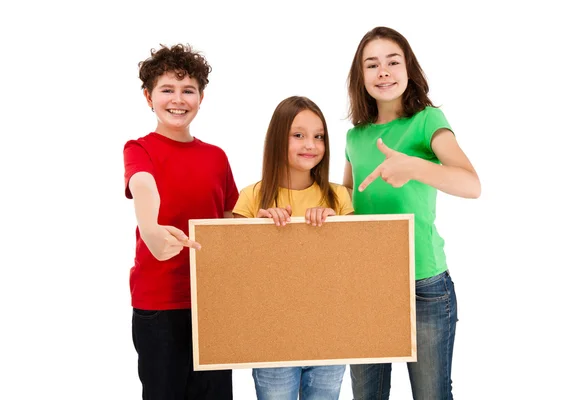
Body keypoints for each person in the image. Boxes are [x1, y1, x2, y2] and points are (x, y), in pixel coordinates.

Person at [343, 27, 481, 400]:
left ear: (409, 70)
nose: (383, 72)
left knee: (431, 394)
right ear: (361, 76)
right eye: (372, 65)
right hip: (367, 285)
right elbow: (344, 200)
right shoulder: (355, 137)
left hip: (425, 284)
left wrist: (415, 167)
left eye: (393, 62)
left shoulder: (427, 121)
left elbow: (472, 184)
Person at [123, 43, 238, 400]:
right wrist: (151, 228)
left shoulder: (216, 157)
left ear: (201, 97)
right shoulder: (139, 148)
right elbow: (143, 185)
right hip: (159, 306)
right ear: (148, 97)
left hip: (213, 303)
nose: (178, 99)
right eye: (167, 90)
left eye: (188, 90)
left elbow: (231, 219)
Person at [233, 96, 353, 399]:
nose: (310, 144)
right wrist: (258, 232)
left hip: (329, 338)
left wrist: (336, 227)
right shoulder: (251, 198)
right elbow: (236, 276)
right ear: (277, 139)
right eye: (298, 135)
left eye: (319, 136)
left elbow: (352, 271)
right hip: (274, 340)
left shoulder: (338, 197)